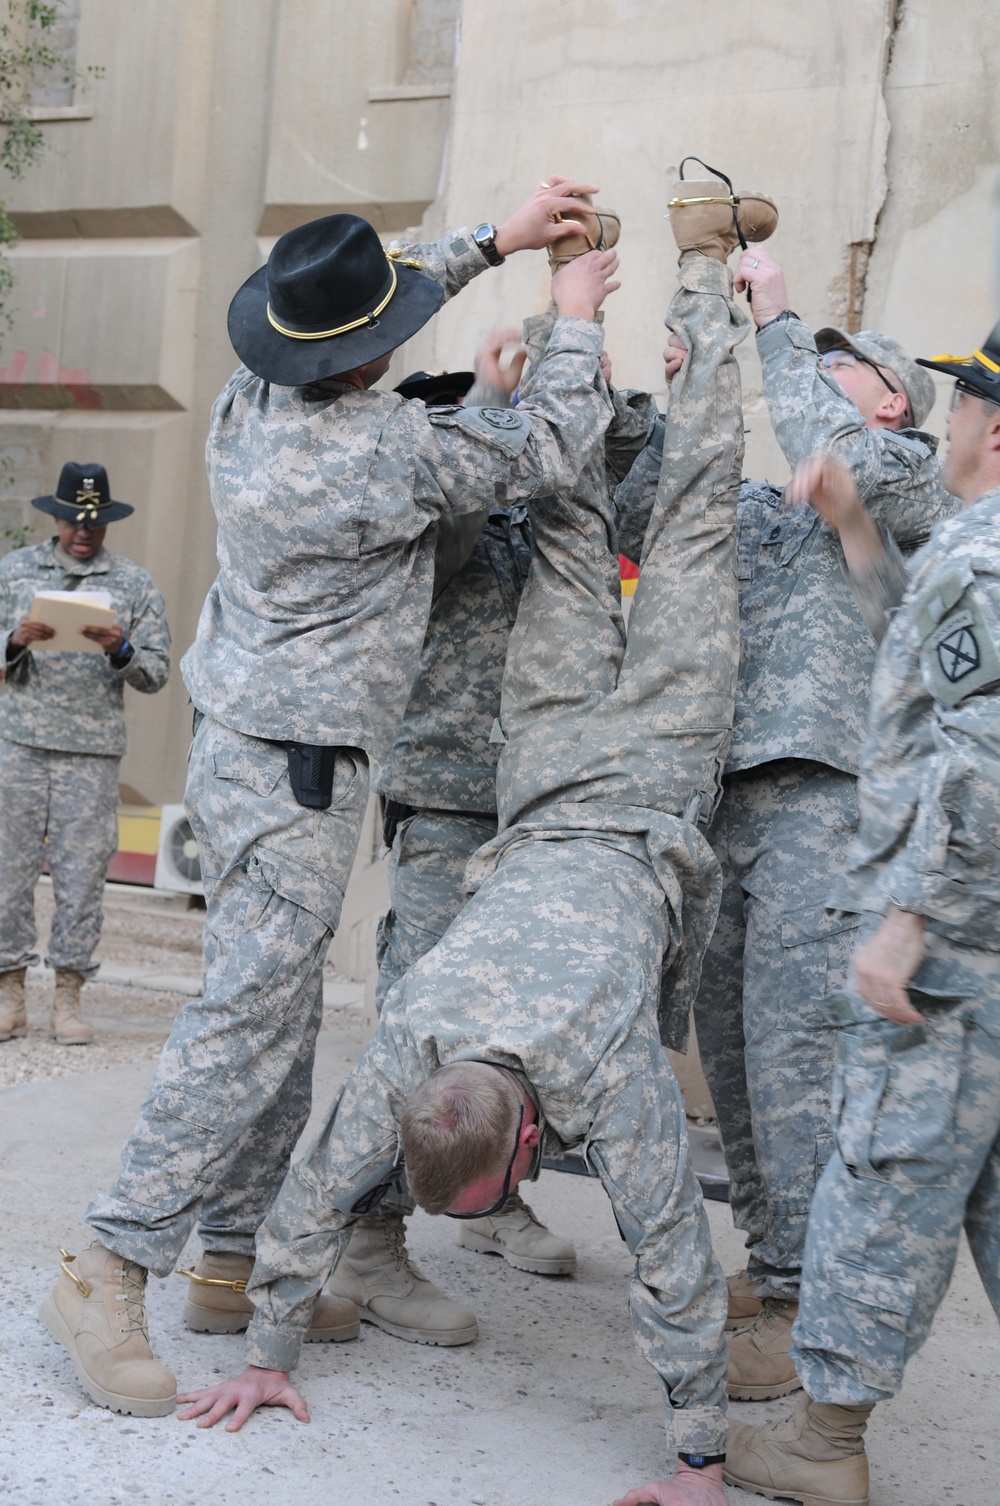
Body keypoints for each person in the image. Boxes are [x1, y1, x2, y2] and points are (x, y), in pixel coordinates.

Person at [171, 170, 778, 1506]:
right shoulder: (416, 1036)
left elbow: (668, 1241)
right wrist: (551, 286)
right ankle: (676, 265)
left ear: (523, 1152)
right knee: (582, 528)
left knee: (684, 520)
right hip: (559, 765)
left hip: (637, 770)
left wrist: (696, 1461)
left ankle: (700, 274)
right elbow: (319, 1198)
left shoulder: (594, 1073)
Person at [41, 179, 623, 1418]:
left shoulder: (251, 398)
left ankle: (234, 1252)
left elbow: (377, 295)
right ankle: (112, 1259)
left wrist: (491, 243)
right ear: (369, 357)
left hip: (249, 743)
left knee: (280, 1000)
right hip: (297, 766)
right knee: (248, 1015)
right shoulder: (379, 452)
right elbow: (554, 449)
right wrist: (571, 313)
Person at [662, 220, 957, 1400]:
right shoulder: (773, 499)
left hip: (827, 800)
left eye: (846, 363)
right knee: (732, 1049)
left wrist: (777, 321)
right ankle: (776, 1262)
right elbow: (664, 513)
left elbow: (824, 439)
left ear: (890, 401)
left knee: (796, 1054)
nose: (821, 373)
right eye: (817, 358)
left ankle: (800, 1305)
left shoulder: (906, 478)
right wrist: (693, 377)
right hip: (731, 793)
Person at [723, 329, 1000, 1506]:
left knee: (882, 1177)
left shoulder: (983, 557)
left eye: (967, 404)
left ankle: (824, 1442)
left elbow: (980, 753)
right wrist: (851, 530)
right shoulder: (969, 554)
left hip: (955, 943)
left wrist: (908, 916)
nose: (951, 420)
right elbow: (928, 663)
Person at [334, 349, 661, 1344]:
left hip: (550, 807)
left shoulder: (553, 492)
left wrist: (611, 401)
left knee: (519, 1038)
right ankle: (367, 1243)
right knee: (420, 1030)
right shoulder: (440, 499)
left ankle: (491, 1196)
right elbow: (456, 514)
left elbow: (655, 500)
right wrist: (488, 399)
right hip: (449, 796)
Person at [0, 462, 170, 1045]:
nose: (83, 532)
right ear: (55, 516)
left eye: (94, 524)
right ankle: (10, 991)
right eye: (74, 520)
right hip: (19, 745)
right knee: (7, 872)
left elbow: (156, 673)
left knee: (81, 878)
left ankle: (68, 997)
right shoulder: (15, 572)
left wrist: (119, 646)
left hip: (90, 755)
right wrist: (13, 641)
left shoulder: (132, 583)